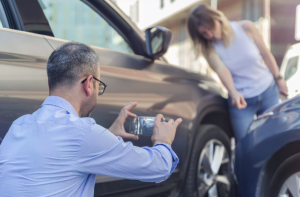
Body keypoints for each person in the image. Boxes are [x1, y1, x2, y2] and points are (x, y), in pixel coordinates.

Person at [0, 42, 182, 197]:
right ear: (88, 84)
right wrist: (163, 141)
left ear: (50, 83)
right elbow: (158, 167)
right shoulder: (82, 133)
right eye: (98, 86)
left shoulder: (19, 125)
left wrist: (108, 135)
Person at [187, 4, 288, 142]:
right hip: (241, 101)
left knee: (276, 137)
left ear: (217, 18)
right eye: (204, 33)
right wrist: (233, 91)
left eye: (210, 29)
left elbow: (266, 54)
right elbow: (222, 70)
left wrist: (279, 79)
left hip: (267, 92)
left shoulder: (246, 27)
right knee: (244, 145)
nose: (209, 35)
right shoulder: (209, 48)